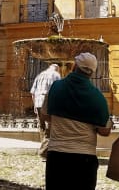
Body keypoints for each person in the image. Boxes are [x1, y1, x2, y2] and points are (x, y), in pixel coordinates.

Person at [41, 52, 112, 190]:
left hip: (57, 155)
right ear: (91, 72)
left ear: (74, 66)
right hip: (84, 157)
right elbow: (104, 131)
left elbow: (45, 115)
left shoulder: (56, 87)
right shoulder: (97, 97)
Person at [30, 63, 61, 158]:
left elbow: (33, 92)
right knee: (50, 127)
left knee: (42, 126)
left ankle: (44, 149)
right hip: (48, 103)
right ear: (57, 69)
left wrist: (35, 105)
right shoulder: (56, 75)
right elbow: (58, 90)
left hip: (38, 103)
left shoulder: (40, 75)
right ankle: (44, 152)